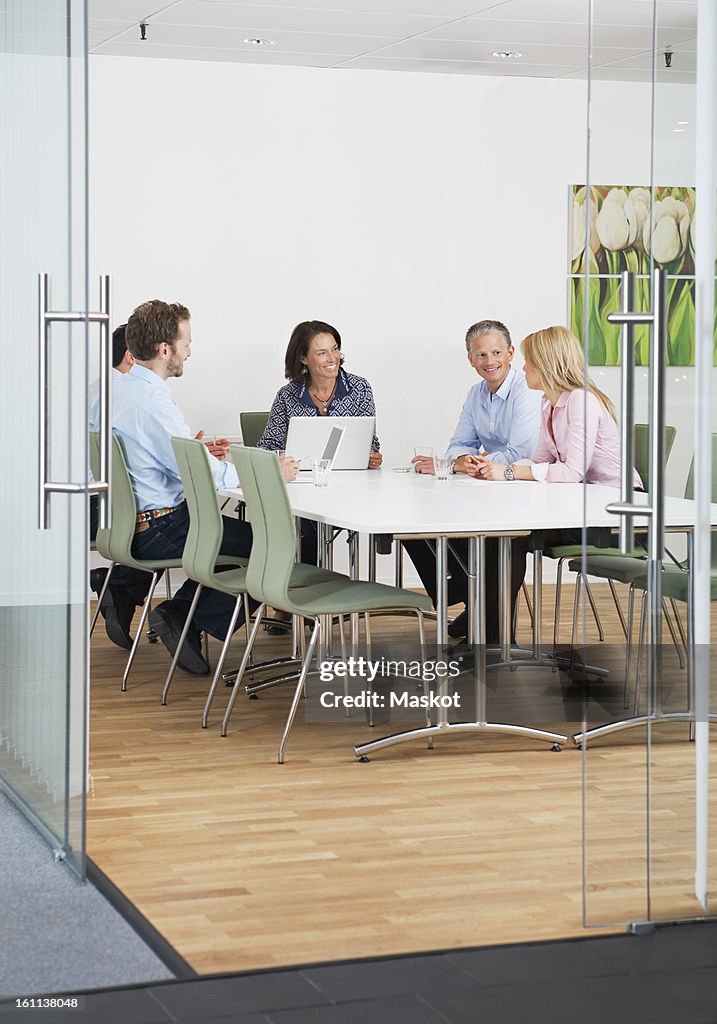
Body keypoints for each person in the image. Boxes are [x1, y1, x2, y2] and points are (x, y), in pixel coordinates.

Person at [93, 299, 295, 674]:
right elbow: (200, 477)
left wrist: (193, 451)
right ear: (164, 349)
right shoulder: (153, 401)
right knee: (272, 545)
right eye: (185, 342)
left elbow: (157, 455)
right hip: (160, 526)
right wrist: (269, 473)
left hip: (127, 522)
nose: (189, 350)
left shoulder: (118, 392)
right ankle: (183, 616)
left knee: (250, 542)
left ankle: (179, 613)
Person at [474, 325, 642, 620]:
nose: (523, 368)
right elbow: (539, 459)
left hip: (615, 516)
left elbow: (572, 471)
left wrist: (509, 474)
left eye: (529, 361)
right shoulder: (549, 404)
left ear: (546, 365)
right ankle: (489, 634)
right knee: (498, 535)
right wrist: (497, 469)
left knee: (511, 537)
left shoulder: (582, 400)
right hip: (583, 507)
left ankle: (495, 639)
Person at [404, 319, 542, 642]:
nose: (489, 361)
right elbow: (459, 444)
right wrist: (459, 462)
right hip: (488, 489)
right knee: (417, 523)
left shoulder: (528, 392)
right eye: (481, 355)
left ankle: (491, 632)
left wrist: (467, 465)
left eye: (496, 352)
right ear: (470, 359)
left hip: (524, 491)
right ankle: (475, 602)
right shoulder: (475, 394)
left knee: (493, 538)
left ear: (510, 353)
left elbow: (520, 451)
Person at [258, 320, 382, 566]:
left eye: (335, 349)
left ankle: (314, 591)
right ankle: (305, 592)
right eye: (322, 353)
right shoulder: (287, 395)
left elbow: (372, 442)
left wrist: (372, 455)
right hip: (302, 490)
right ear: (303, 358)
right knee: (305, 527)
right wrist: (282, 460)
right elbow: (267, 447)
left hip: (349, 490)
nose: (332, 358)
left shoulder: (359, 388)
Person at [89, 324, 154, 650]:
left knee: (167, 519)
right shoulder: (125, 396)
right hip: (107, 509)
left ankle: (119, 586)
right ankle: (180, 616)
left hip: (100, 503)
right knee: (171, 522)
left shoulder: (100, 388)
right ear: (132, 355)